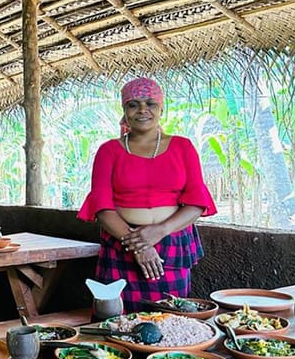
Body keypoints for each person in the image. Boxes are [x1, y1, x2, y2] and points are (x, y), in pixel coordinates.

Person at [77, 78, 217, 311]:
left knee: (171, 317)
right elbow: (101, 206)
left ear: (161, 109)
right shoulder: (108, 151)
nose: (143, 110)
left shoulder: (183, 147)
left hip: (171, 242)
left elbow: (196, 203)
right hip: (122, 241)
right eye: (134, 104)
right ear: (125, 111)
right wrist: (140, 245)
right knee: (117, 320)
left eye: (150, 103)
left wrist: (158, 231)